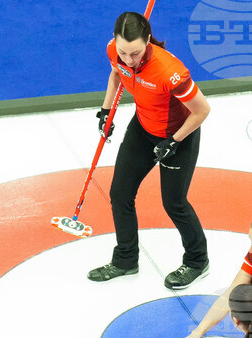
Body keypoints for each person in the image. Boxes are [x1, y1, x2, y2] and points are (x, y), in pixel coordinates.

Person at [87, 12, 210, 290]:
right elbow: (117, 73)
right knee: (120, 194)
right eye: (123, 52)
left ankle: (197, 261)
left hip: (179, 135)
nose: (129, 59)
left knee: (174, 203)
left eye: (136, 53)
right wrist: (107, 110)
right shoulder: (114, 51)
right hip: (142, 128)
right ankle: (126, 260)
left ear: (148, 42)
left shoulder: (170, 71)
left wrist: (174, 140)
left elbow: (202, 110)